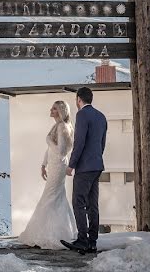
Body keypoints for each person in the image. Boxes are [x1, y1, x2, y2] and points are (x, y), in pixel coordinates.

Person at [18, 100, 77, 249]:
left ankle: (50, 234)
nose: (51, 110)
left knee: (50, 197)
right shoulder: (57, 125)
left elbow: (61, 151)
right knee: (57, 197)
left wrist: (48, 140)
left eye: (54, 108)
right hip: (53, 165)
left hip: (58, 166)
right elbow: (50, 150)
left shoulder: (63, 127)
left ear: (61, 111)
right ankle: (63, 232)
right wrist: (43, 164)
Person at [61, 86, 107, 254]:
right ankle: (92, 242)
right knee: (92, 205)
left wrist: (72, 164)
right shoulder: (101, 116)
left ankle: (82, 240)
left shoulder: (82, 115)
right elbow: (102, 143)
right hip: (97, 166)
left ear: (79, 99)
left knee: (78, 202)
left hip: (85, 168)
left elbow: (79, 143)